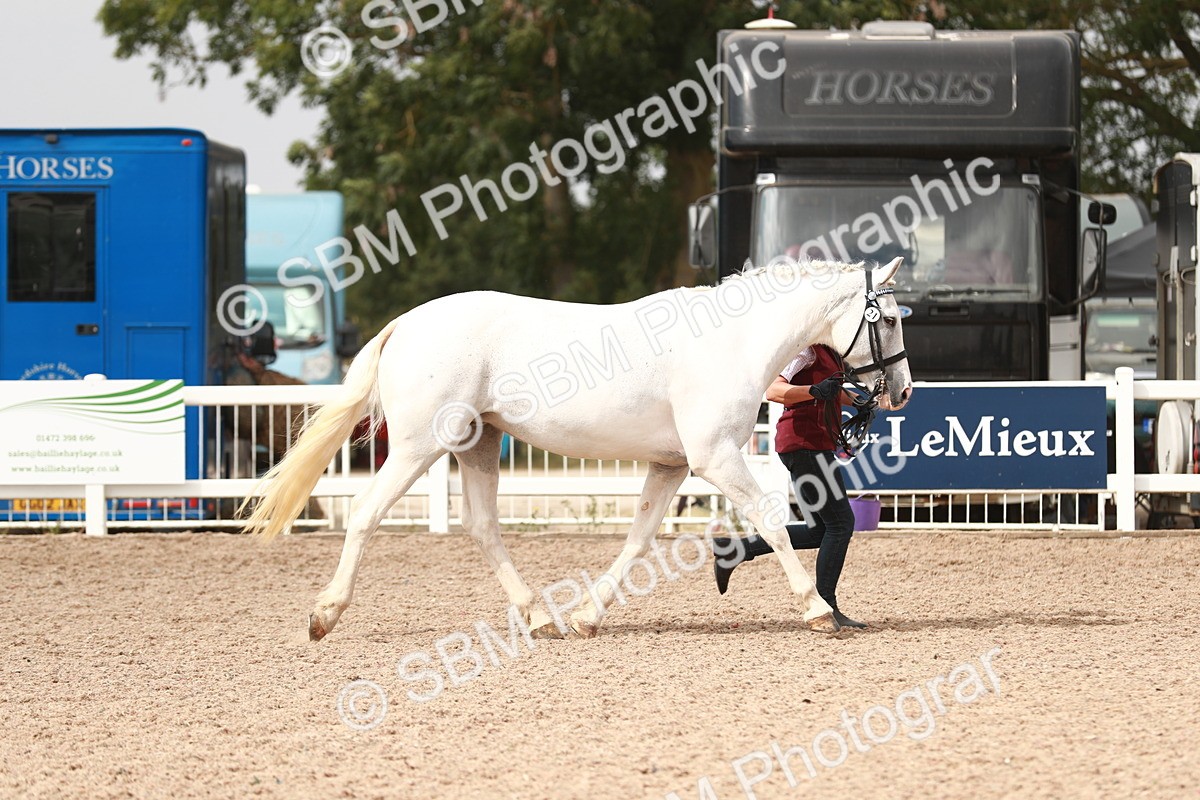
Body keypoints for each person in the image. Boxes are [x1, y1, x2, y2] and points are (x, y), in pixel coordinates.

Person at [710, 344, 867, 629]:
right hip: (804, 445)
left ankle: (734, 549)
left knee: (820, 529)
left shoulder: (830, 353)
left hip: (812, 445)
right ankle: (826, 606)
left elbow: (830, 391)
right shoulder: (805, 351)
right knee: (841, 524)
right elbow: (774, 391)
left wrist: (859, 402)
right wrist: (813, 391)